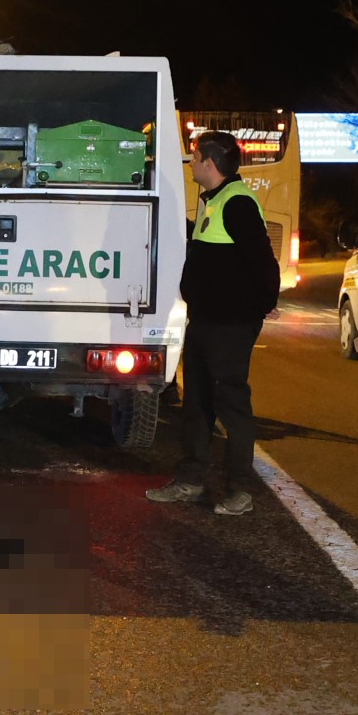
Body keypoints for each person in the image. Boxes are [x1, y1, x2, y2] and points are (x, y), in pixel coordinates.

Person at [148, 131, 278, 516]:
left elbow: (263, 261)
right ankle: (190, 480)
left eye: (194, 156)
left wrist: (263, 304)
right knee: (197, 404)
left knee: (231, 405)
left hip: (230, 325)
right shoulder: (215, 201)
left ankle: (240, 489)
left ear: (210, 162)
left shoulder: (237, 203)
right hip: (206, 321)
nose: (190, 163)